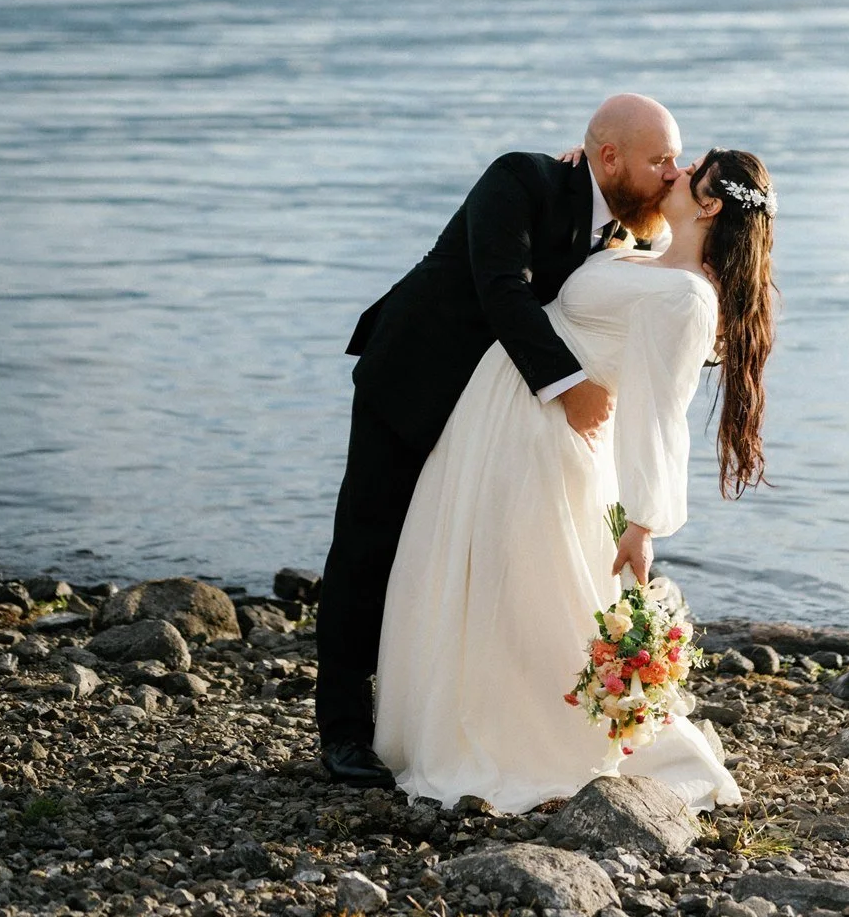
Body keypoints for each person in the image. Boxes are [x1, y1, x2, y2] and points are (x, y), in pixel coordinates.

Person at [374, 148, 776, 812]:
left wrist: (643, 520)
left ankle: (529, 747)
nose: (671, 171)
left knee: (524, 596)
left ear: (708, 205)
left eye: (687, 169)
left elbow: (656, 414)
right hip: (496, 423)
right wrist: (589, 164)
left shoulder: (684, 297)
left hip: (544, 441)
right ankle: (457, 723)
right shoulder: (648, 255)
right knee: (489, 587)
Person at [316, 93, 684, 786]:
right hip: (416, 381)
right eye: (658, 159)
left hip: (495, 423)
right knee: (369, 546)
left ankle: (464, 714)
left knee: (467, 559)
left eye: (675, 160)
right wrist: (568, 385)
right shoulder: (520, 179)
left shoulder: (633, 229)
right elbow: (502, 288)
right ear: (608, 158)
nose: (671, 172)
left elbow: (673, 307)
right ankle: (341, 732)